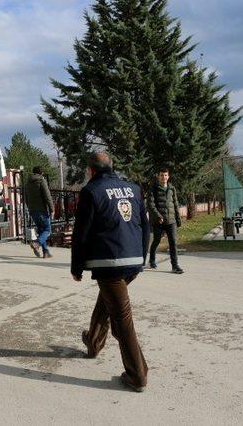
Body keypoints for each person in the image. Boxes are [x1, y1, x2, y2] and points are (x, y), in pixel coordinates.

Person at [71, 152, 150, 392]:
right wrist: (141, 258)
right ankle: (93, 342)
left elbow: (81, 233)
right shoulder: (133, 189)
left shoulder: (91, 191)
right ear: (111, 166)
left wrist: (77, 267)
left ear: (91, 171)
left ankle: (137, 375)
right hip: (133, 262)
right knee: (107, 302)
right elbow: (145, 226)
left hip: (109, 264)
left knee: (122, 321)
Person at [147, 168, 184, 274]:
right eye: (162, 175)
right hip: (158, 221)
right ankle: (152, 261)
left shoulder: (172, 189)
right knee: (156, 241)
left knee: (173, 242)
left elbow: (175, 204)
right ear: (158, 176)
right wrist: (158, 216)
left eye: (166, 175)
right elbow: (150, 204)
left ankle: (175, 266)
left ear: (168, 176)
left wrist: (178, 219)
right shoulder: (153, 188)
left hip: (171, 221)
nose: (164, 177)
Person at [25, 166, 55, 258]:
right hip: (41, 210)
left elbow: (26, 198)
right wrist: (52, 209)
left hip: (32, 211)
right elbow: (47, 196)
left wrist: (30, 208)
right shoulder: (41, 180)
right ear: (41, 173)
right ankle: (37, 243)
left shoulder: (28, 183)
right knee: (47, 230)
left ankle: (46, 252)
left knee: (41, 230)